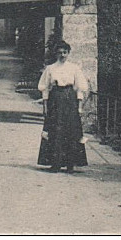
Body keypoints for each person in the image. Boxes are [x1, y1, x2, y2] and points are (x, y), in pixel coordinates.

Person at [37, 41, 89, 173]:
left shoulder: (74, 68)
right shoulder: (50, 69)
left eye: (64, 52)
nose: (62, 55)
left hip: (70, 100)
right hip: (55, 100)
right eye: (59, 52)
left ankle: (70, 164)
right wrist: (45, 106)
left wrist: (79, 107)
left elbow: (79, 88)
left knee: (71, 131)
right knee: (55, 130)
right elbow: (45, 88)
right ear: (55, 53)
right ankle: (55, 163)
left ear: (68, 53)